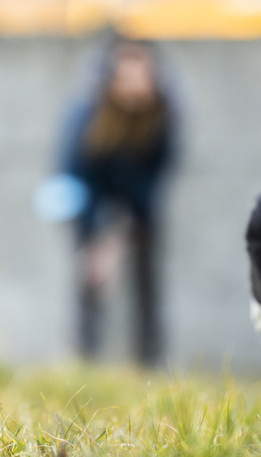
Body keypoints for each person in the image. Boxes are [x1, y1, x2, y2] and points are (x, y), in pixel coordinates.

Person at [56, 34, 178, 365]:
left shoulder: (165, 113)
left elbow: (158, 173)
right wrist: (99, 235)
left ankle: (149, 362)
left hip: (140, 205)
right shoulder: (86, 113)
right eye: (126, 74)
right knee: (90, 277)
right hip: (90, 202)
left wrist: (124, 228)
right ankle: (84, 358)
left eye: (143, 73)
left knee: (146, 284)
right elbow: (74, 171)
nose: (135, 83)